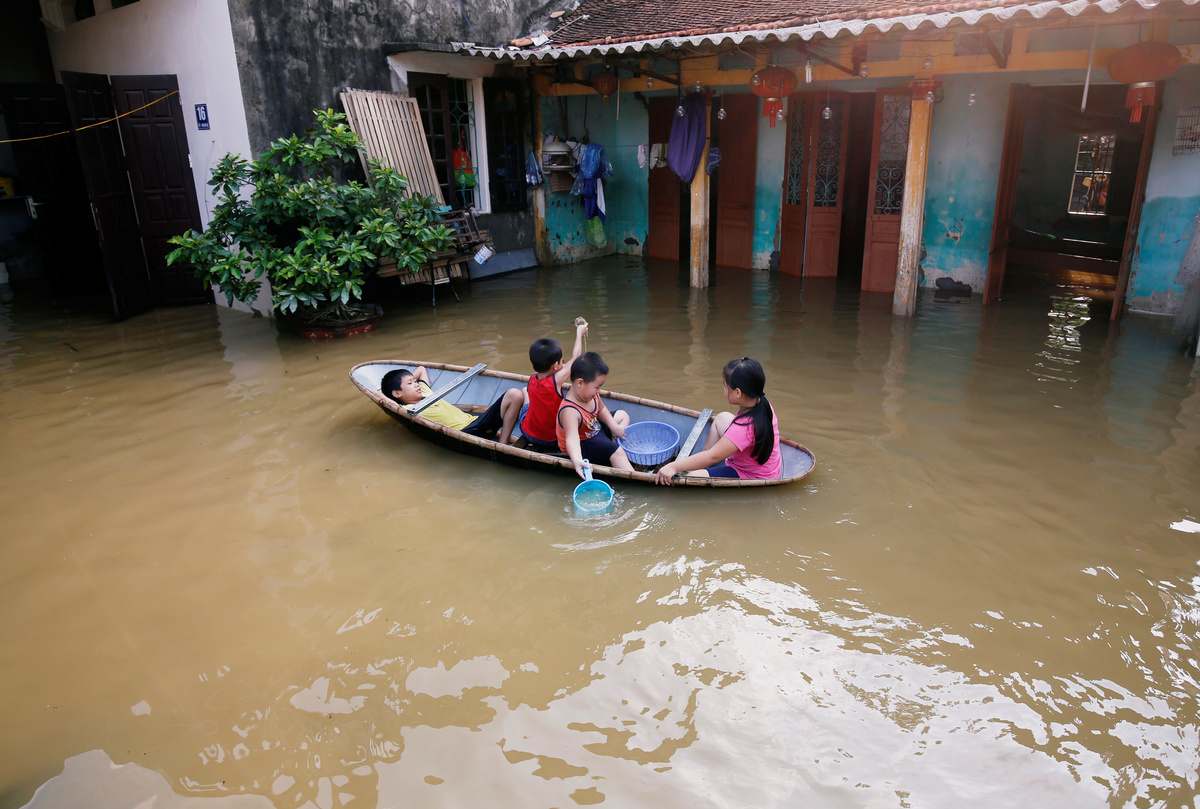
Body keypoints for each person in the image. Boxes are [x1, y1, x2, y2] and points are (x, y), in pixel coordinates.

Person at [655, 357, 782, 485]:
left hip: (752, 475)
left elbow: (713, 457)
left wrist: (673, 466)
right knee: (722, 418)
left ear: (738, 393)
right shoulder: (762, 402)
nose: (724, 389)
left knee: (692, 477)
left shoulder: (744, 427)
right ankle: (699, 464)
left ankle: (698, 468)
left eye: (725, 386)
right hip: (764, 467)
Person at [381, 365, 524, 444]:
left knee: (517, 394)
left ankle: (503, 443)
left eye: (415, 381)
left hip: (475, 421)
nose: (416, 384)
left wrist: (408, 382)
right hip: (464, 432)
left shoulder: (425, 391)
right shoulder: (406, 409)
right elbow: (380, 395)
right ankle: (503, 445)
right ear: (396, 393)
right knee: (514, 394)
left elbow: (421, 369)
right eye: (410, 383)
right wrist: (396, 392)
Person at [557, 352, 633, 478]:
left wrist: (613, 426)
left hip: (593, 427)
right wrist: (577, 459)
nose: (598, 391)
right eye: (597, 387)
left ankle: (611, 444)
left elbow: (601, 409)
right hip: (583, 443)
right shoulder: (570, 411)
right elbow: (572, 439)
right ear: (580, 383)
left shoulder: (591, 394)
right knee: (617, 452)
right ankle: (635, 477)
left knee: (623, 415)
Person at [519, 319, 589, 451]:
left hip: (528, 432)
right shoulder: (555, 381)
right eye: (562, 361)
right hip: (552, 439)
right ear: (555, 365)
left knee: (524, 391)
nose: (563, 364)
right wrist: (579, 334)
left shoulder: (533, 378)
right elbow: (575, 360)